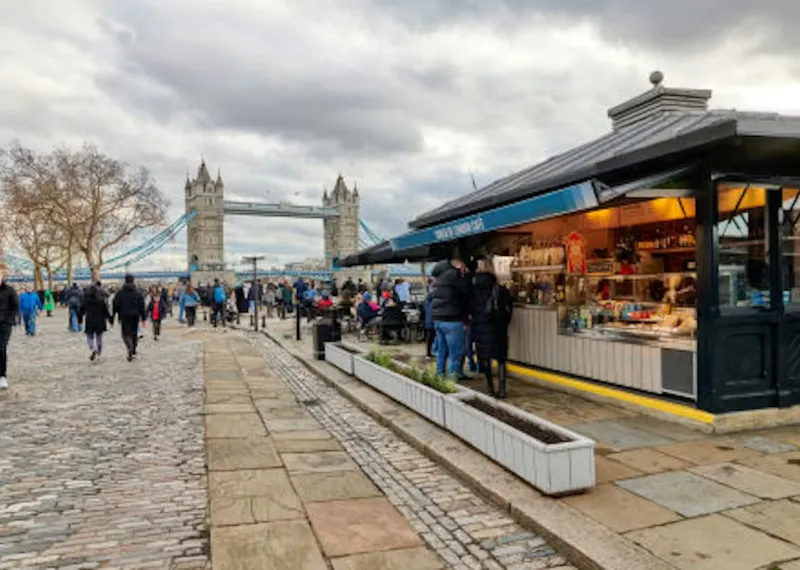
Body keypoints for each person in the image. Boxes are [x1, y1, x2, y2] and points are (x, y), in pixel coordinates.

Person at [471, 259, 514, 398]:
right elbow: (509, 308)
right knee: (501, 358)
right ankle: (502, 388)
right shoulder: (500, 290)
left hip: (480, 328)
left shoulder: (474, 290)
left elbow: (469, 308)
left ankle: (490, 388)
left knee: (485, 358)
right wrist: (505, 321)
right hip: (498, 328)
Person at [431, 256, 470, 379]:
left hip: (438, 319)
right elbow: (466, 293)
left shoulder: (439, 278)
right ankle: (454, 376)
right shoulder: (455, 275)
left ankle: (440, 374)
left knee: (441, 350)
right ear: (458, 266)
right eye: (463, 268)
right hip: (452, 319)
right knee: (455, 352)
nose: (464, 270)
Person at [113, 274, 146, 362]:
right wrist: (143, 318)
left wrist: (114, 315)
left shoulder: (120, 293)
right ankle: (134, 349)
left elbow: (115, 304)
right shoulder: (138, 292)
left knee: (125, 334)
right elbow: (142, 306)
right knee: (134, 333)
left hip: (124, 316)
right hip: (135, 316)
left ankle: (129, 347)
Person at [80, 284, 112, 361]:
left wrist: (79, 320)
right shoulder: (101, 301)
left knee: (89, 337)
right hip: (100, 321)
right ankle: (99, 352)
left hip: (90, 320)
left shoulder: (86, 301)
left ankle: (92, 348)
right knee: (99, 338)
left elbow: (81, 311)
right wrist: (110, 320)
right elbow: (106, 312)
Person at [0, 268, 19, 390]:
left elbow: (15, 306)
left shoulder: (9, 290)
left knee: (1, 348)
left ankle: (2, 376)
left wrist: (9, 320)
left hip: (4, 324)